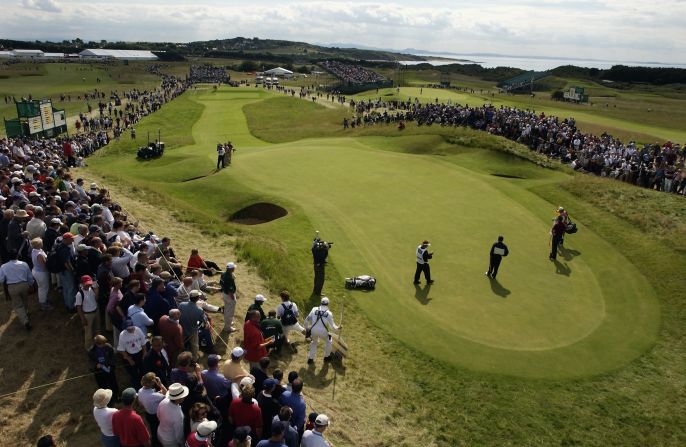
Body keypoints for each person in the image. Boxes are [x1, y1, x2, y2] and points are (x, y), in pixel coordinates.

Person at [0, 249, 35, 330]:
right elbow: (29, 276)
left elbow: (1, 280)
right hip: (24, 285)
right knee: (25, 300)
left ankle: (25, 321)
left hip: (12, 287)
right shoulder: (24, 264)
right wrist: (31, 284)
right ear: (17, 256)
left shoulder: (4, 266)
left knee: (18, 305)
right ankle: (26, 313)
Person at [304, 297, 340, 364]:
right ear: (328, 304)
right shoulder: (329, 313)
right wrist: (338, 328)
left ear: (321, 302)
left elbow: (306, 320)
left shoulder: (314, 309)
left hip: (313, 330)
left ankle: (310, 358)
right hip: (323, 332)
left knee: (314, 343)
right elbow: (333, 327)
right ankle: (326, 357)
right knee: (329, 341)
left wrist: (307, 328)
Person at [138, 372, 167, 447]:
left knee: (153, 430)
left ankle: (155, 441)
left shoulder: (140, 391)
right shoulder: (154, 395)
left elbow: (141, 403)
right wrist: (160, 384)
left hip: (148, 414)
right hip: (156, 416)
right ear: (152, 383)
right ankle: (158, 443)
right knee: (159, 430)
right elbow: (166, 394)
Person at [156, 382, 189, 447]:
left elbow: (158, 415)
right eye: (183, 396)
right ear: (179, 399)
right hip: (170, 441)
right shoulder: (178, 414)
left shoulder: (163, 401)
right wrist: (182, 444)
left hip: (160, 433)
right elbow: (179, 435)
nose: (184, 397)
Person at [117, 319, 147, 388]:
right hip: (130, 355)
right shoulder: (122, 335)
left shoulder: (138, 330)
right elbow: (121, 349)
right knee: (133, 374)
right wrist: (128, 359)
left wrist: (144, 352)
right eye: (128, 329)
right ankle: (137, 387)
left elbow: (143, 342)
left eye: (131, 328)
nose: (131, 330)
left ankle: (145, 385)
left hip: (139, 353)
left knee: (143, 370)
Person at [89, 335, 119, 399]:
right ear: (97, 344)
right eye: (102, 344)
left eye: (104, 343)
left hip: (109, 369)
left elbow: (113, 357)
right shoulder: (92, 351)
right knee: (103, 386)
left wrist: (111, 366)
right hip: (99, 372)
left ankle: (116, 396)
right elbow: (91, 361)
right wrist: (96, 365)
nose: (104, 345)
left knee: (113, 384)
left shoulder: (108, 347)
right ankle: (107, 400)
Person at [179, 291, 205, 360]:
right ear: (197, 298)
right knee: (194, 345)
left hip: (181, 328)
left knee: (182, 342)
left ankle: (181, 355)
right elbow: (202, 321)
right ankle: (194, 358)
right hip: (192, 330)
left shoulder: (181, 304)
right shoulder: (199, 310)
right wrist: (197, 325)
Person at [77, 275, 100, 350]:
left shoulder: (92, 289)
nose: (88, 285)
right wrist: (83, 318)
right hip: (87, 315)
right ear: (82, 284)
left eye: (89, 283)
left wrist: (97, 291)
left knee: (97, 329)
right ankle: (89, 348)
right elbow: (79, 307)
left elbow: (96, 299)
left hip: (96, 311)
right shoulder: (79, 294)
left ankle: (98, 344)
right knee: (88, 333)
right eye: (86, 284)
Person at [30, 237, 52, 311]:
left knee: (41, 287)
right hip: (41, 273)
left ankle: (44, 300)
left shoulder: (34, 250)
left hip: (36, 271)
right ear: (39, 244)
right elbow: (44, 265)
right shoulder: (39, 254)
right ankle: (43, 304)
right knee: (43, 288)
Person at [219, 262, 237, 333]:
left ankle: (228, 323)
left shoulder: (223, 274)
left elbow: (220, 283)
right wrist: (233, 299)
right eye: (234, 268)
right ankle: (227, 328)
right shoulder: (229, 278)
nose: (234, 269)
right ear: (231, 269)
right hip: (229, 296)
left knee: (227, 309)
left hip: (224, 293)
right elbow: (230, 291)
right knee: (230, 312)